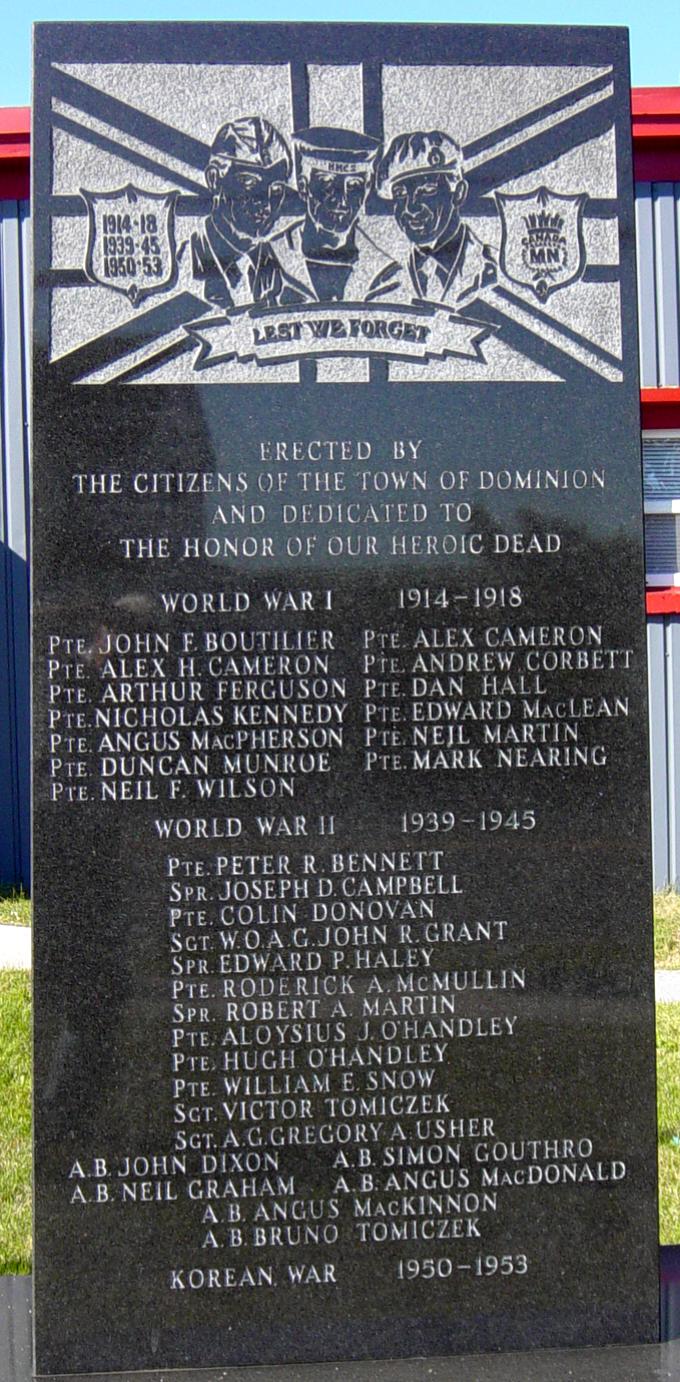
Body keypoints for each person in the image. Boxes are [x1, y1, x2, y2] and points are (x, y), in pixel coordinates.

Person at [272, 126, 402, 303]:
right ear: (303, 187)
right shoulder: (271, 259)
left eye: (354, 185)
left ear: (366, 190)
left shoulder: (385, 275)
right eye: (327, 182)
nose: (341, 199)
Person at [191, 115, 304, 309]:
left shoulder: (283, 270)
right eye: (250, 183)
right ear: (214, 179)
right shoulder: (187, 259)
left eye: (276, 189)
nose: (265, 202)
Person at [376, 130, 496, 305]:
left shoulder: (497, 272)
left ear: (458, 193)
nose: (411, 208)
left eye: (427, 190)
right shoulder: (385, 289)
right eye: (400, 194)